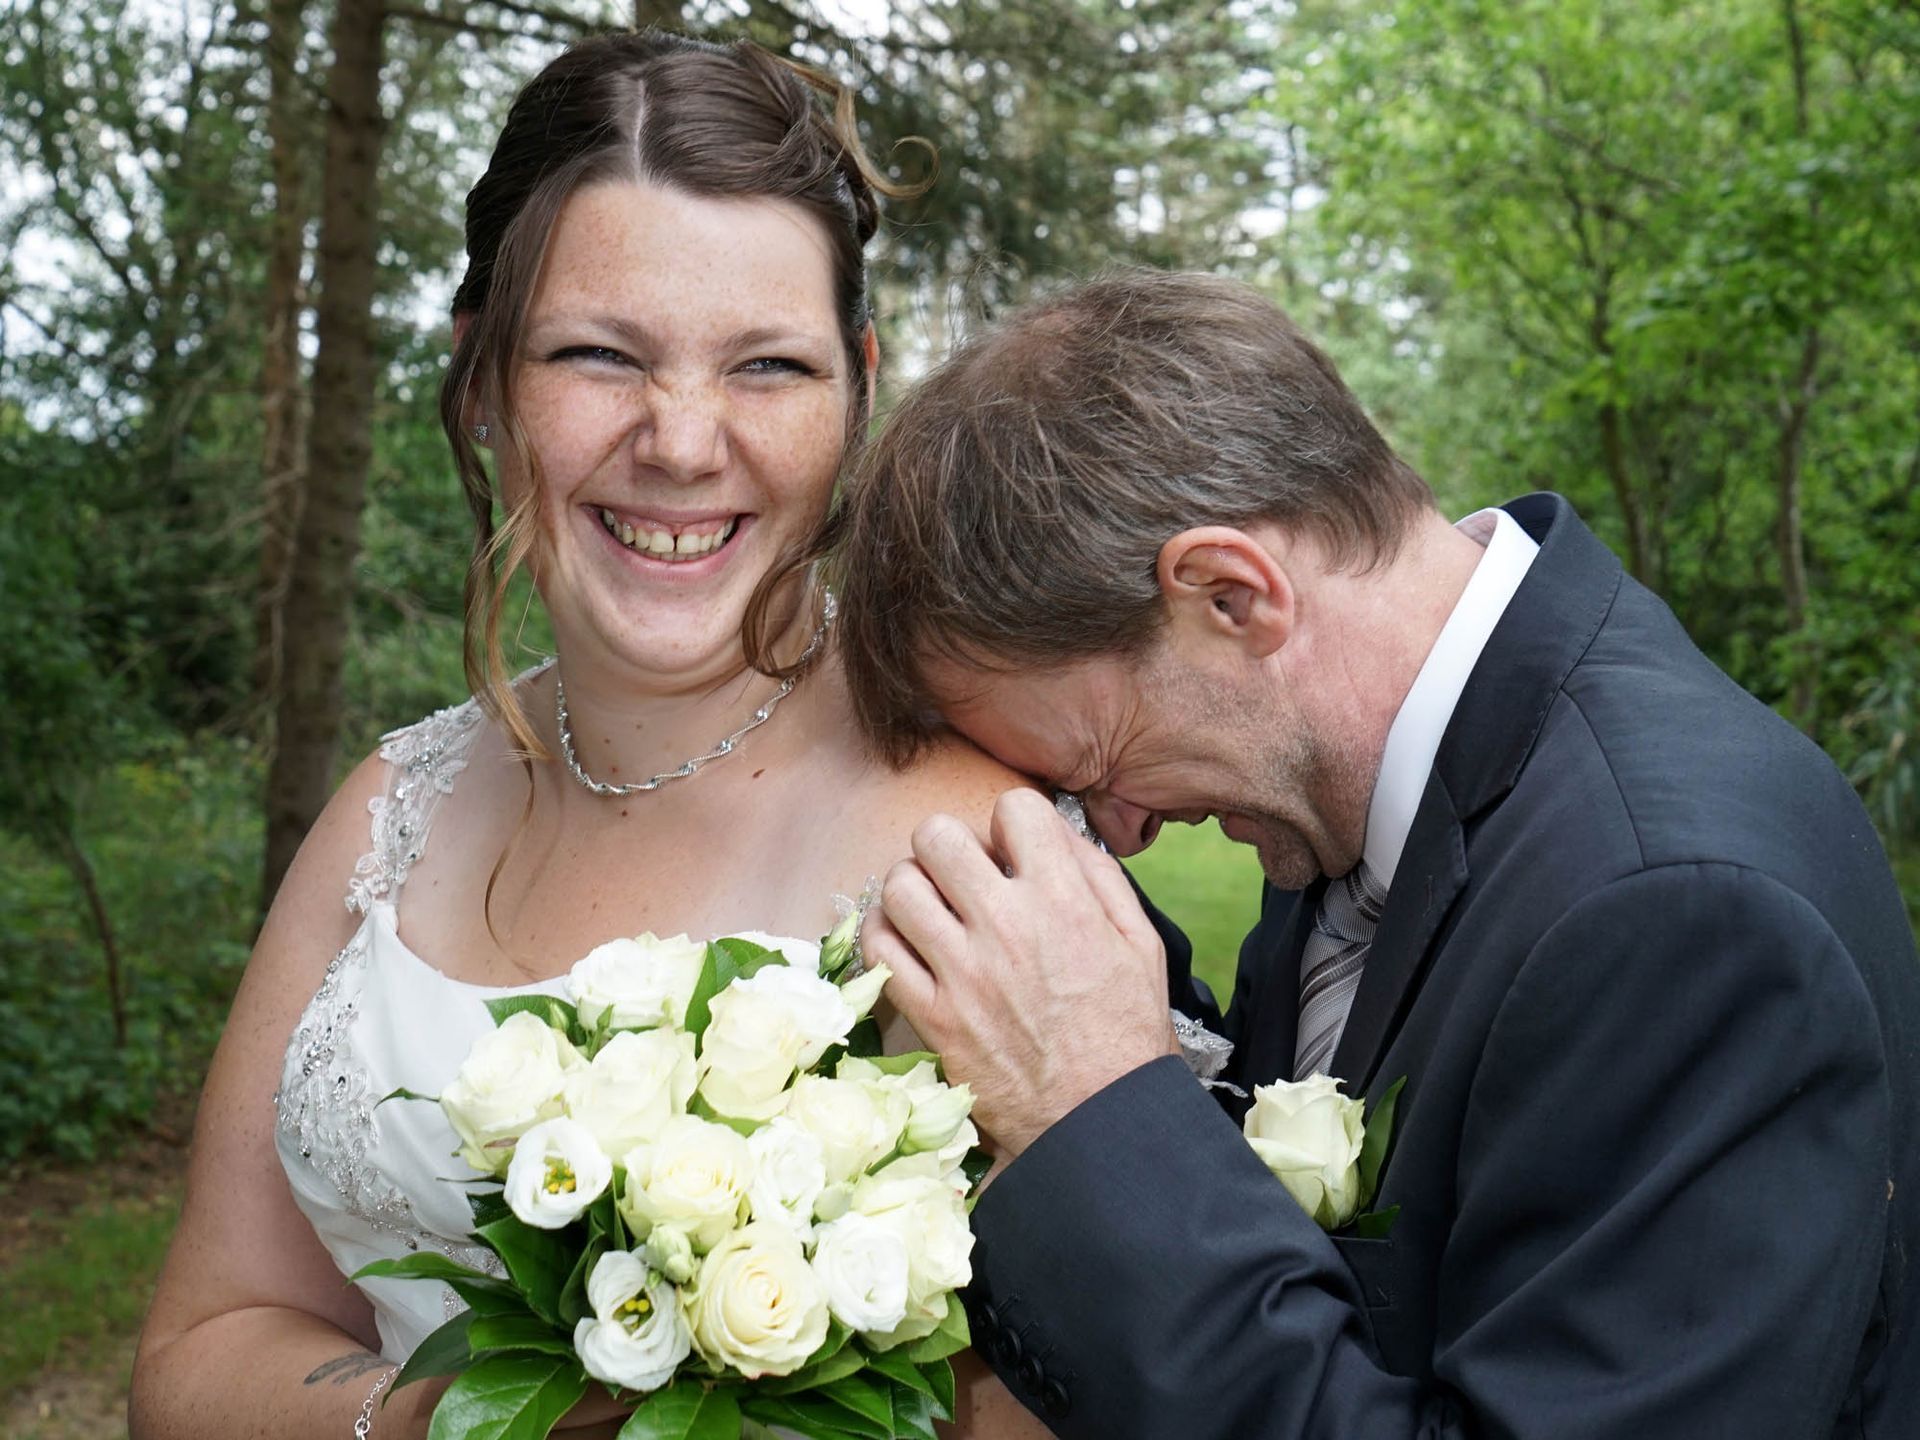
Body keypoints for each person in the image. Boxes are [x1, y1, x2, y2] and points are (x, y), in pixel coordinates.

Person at [130, 32, 1047, 1440]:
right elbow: (200, 1349)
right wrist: (464, 1421)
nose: (681, 441)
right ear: (482, 378)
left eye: (767, 367)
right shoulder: (391, 807)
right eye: (598, 356)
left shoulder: (978, 855)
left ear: (858, 387)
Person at [843, 269, 1920, 1437]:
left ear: (1231, 596)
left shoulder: (1678, 916)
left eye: (1094, 761)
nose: (1123, 829)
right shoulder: (1360, 796)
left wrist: (1094, 1118)